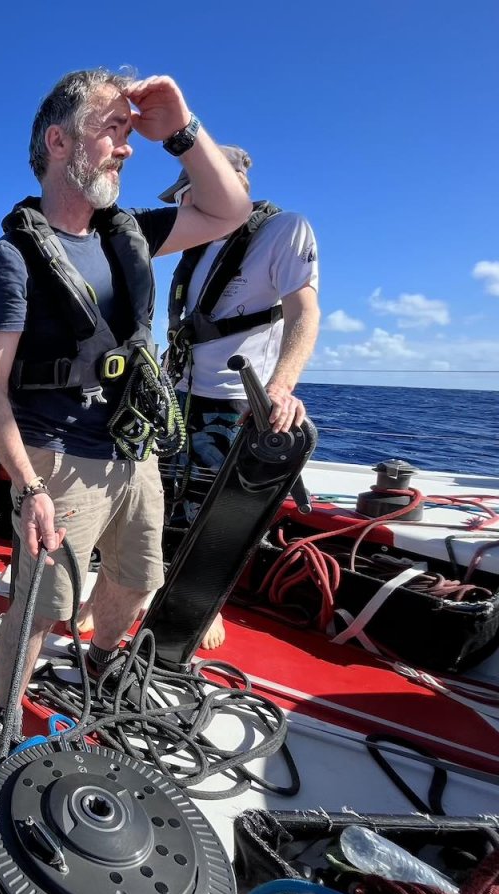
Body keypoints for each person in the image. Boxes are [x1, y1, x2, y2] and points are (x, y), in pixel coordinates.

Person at [0, 69, 252, 719]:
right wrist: (29, 489)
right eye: (112, 129)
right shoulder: (9, 262)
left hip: (135, 449)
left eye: (130, 131)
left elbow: (230, 209)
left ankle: (95, 667)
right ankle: (1, 719)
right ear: (59, 142)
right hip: (59, 460)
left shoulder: (130, 234)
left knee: (137, 579)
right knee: (42, 608)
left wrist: (181, 129)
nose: (127, 146)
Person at [160, 144, 320, 649]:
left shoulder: (285, 229)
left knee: (211, 510)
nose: (183, 206)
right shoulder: (196, 245)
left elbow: (304, 312)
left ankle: (203, 606)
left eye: (188, 193)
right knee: (162, 498)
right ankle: (153, 586)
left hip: (231, 400)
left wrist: (281, 386)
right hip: (175, 391)